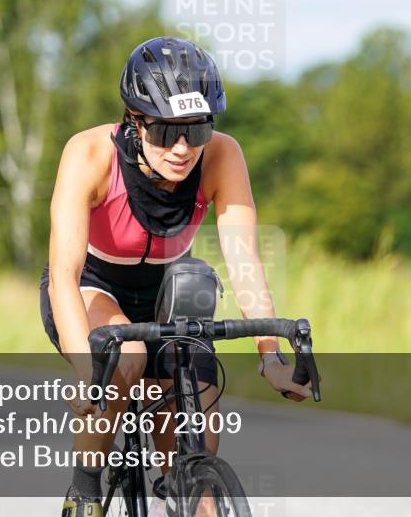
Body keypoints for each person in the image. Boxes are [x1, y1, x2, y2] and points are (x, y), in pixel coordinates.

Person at [40, 36, 311, 517]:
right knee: (126, 358)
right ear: (134, 121)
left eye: (198, 129)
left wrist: (271, 357)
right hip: (93, 286)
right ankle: (85, 488)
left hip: (171, 290)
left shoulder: (223, 156)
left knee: (197, 441)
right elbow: (64, 273)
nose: (184, 149)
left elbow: (244, 262)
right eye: (166, 132)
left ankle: (184, 490)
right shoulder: (89, 155)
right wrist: (88, 374)